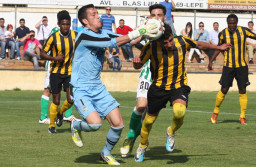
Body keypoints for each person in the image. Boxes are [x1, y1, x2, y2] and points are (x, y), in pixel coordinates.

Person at [69, 4, 161, 165]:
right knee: (95, 123)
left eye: (97, 13)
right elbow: (114, 43)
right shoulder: (84, 36)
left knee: (118, 124)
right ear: (84, 21)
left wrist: (146, 30)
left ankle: (105, 153)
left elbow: (127, 41)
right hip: (81, 88)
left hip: (97, 87)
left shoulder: (104, 33)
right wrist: (139, 31)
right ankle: (75, 125)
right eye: (93, 14)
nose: (98, 16)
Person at [133, 23, 231, 162]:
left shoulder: (182, 41)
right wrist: (136, 62)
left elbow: (200, 45)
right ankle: (142, 146)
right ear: (159, 41)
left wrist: (218, 47)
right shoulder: (151, 47)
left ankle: (171, 132)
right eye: (165, 43)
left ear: (173, 37)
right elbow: (138, 64)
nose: (168, 44)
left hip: (178, 86)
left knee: (179, 113)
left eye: (170, 41)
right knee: (148, 121)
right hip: (158, 88)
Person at [208, 14, 256, 125]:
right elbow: (218, 47)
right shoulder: (223, 33)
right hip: (228, 66)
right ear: (227, 23)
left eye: (234, 23)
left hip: (242, 66)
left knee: (242, 90)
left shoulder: (243, 31)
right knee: (224, 89)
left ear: (237, 22)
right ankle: (215, 112)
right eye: (230, 23)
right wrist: (211, 60)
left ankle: (242, 116)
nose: (232, 25)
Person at [120, 4, 167, 158]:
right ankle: (131, 135)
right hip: (148, 72)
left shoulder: (168, 33)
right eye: (153, 15)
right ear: (149, 17)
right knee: (141, 105)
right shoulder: (147, 29)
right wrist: (141, 31)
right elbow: (131, 42)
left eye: (159, 15)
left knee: (149, 116)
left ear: (165, 17)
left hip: (164, 75)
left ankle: (137, 140)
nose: (156, 18)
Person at [39, 10, 77, 133]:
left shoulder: (75, 35)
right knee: (56, 99)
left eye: (68, 24)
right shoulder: (53, 37)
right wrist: (54, 58)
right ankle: (51, 126)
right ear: (59, 24)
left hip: (70, 72)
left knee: (71, 99)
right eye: (63, 24)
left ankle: (61, 113)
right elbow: (42, 53)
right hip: (55, 72)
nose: (65, 27)